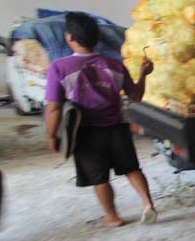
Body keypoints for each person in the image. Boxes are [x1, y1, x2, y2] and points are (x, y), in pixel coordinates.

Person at [45, 12, 157, 227]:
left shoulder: (59, 67)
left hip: (86, 133)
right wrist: (144, 74)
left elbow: (54, 108)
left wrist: (52, 136)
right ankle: (147, 204)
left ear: (69, 37)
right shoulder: (114, 65)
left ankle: (113, 217)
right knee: (132, 168)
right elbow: (136, 96)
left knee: (100, 178)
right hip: (118, 128)